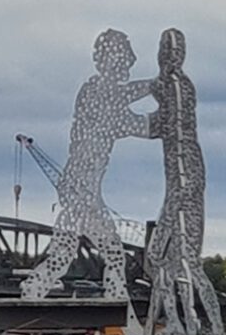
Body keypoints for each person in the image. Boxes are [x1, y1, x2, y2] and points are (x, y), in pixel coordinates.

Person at [21, 29, 153, 301]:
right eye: (125, 57)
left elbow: (129, 105)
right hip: (82, 188)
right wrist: (159, 86)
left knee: (73, 251)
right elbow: (140, 122)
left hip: (83, 189)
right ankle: (116, 302)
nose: (130, 61)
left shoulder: (101, 95)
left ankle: (35, 288)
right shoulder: (97, 93)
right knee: (109, 255)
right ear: (108, 60)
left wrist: (157, 88)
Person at [145, 28, 225, 335]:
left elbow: (166, 128)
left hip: (184, 184)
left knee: (170, 261)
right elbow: (159, 126)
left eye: (170, 50)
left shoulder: (173, 85)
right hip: (186, 182)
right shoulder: (178, 86)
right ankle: (185, 326)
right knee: (176, 265)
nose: (169, 55)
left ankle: (192, 326)